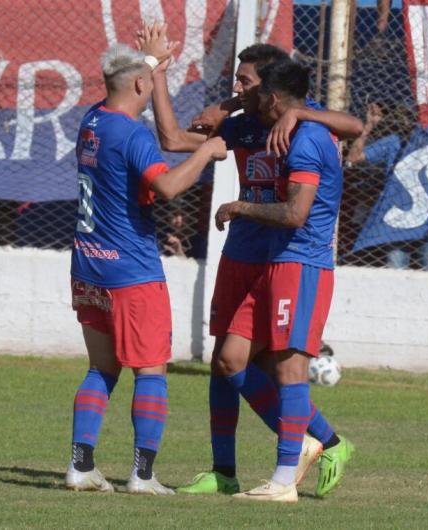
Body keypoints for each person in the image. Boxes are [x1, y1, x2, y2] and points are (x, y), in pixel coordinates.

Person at [138, 25, 361, 496]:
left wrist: (294, 112)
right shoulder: (244, 123)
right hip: (245, 252)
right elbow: (172, 138)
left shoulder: (304, 125)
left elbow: (354, 127)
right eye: (236, 81)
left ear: (270, 88)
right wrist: (158, 74)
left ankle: (310, 449)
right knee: (226, 361)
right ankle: (226, 470)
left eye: (244, 81)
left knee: (281, 365)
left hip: (287, 256)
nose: (236, 88)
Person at [65, 42, 227, 495]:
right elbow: (169, 186)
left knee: (101, 369)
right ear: (140, 84)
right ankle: (143, 475)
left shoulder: (92, 119)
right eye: (149, 80)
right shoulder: (132, 135)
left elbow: (130, 86)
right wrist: (206, 153)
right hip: (131, 271)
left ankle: (80, 467)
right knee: (151, 372)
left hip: (89, 265)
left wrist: (153, 63)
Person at [213, 59, 353, 502]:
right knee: (231, 358)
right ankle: (316, 441)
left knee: (291, 369)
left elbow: (295, 214)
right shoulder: (297, 127)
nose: (247, 98)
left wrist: (240, 207)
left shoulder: (307, 139)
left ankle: (283, 479)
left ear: (272, 98)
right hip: (275, 263)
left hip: (301, 264)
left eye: (253, 92)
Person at [346, 102, 428, 271]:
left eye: (410, 118)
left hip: (427, 221)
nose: (406, 122)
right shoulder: (393, 142)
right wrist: (369, 126)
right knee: (396, 273)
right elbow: (353, 157)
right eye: (401, 118)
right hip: (397, 220)